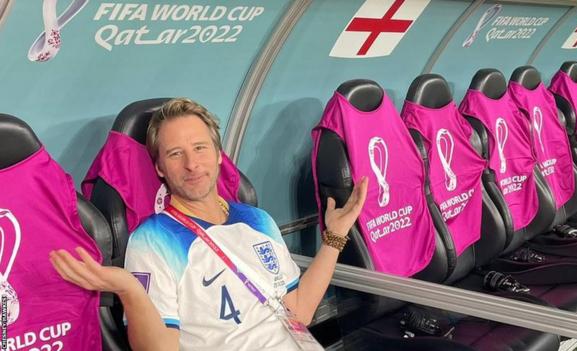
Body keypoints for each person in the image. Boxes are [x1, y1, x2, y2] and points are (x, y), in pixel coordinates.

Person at [49, 98, 368, 351]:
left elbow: (299, 312)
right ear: (159, 167)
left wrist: (334, 238)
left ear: (218, 154)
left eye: (200, 148)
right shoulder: (153, 240)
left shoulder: (257, 220)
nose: (192, 164)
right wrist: (129, 290)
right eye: (175, 154)